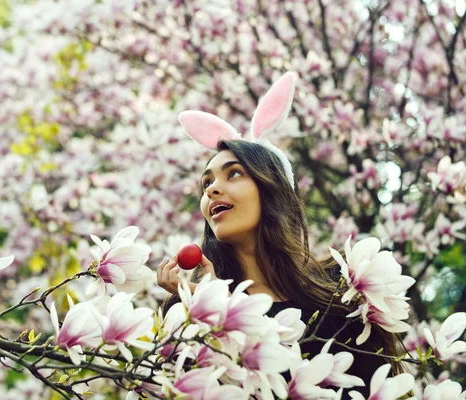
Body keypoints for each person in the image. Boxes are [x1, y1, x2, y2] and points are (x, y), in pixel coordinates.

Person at [156, 72, 405, 397]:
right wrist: (209, 310)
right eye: (206, 184)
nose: (213, 189)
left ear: (272, 188)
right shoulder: (192, 307)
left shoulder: (344, 293)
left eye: (234, 173)